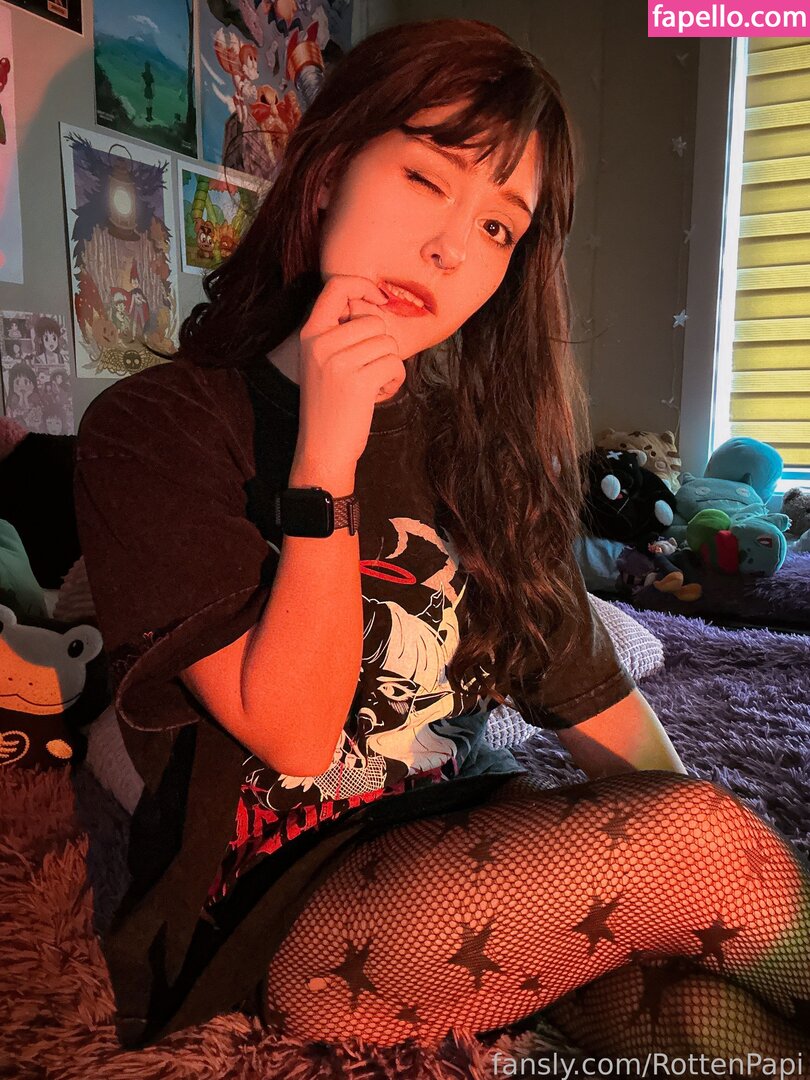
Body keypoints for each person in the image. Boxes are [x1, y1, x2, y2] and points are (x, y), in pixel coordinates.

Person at [74, 18, 810, 1062]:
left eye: (500, 227)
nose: (453, 248)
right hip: (281, 909)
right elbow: (294, 735)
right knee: (704, 842)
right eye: (426, 178)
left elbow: (596, 705)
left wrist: (675, 862)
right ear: (328, 170)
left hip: (474, 834)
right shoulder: (157, 427)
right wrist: (327, 455)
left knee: (704, 1015)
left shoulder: (477, 451)